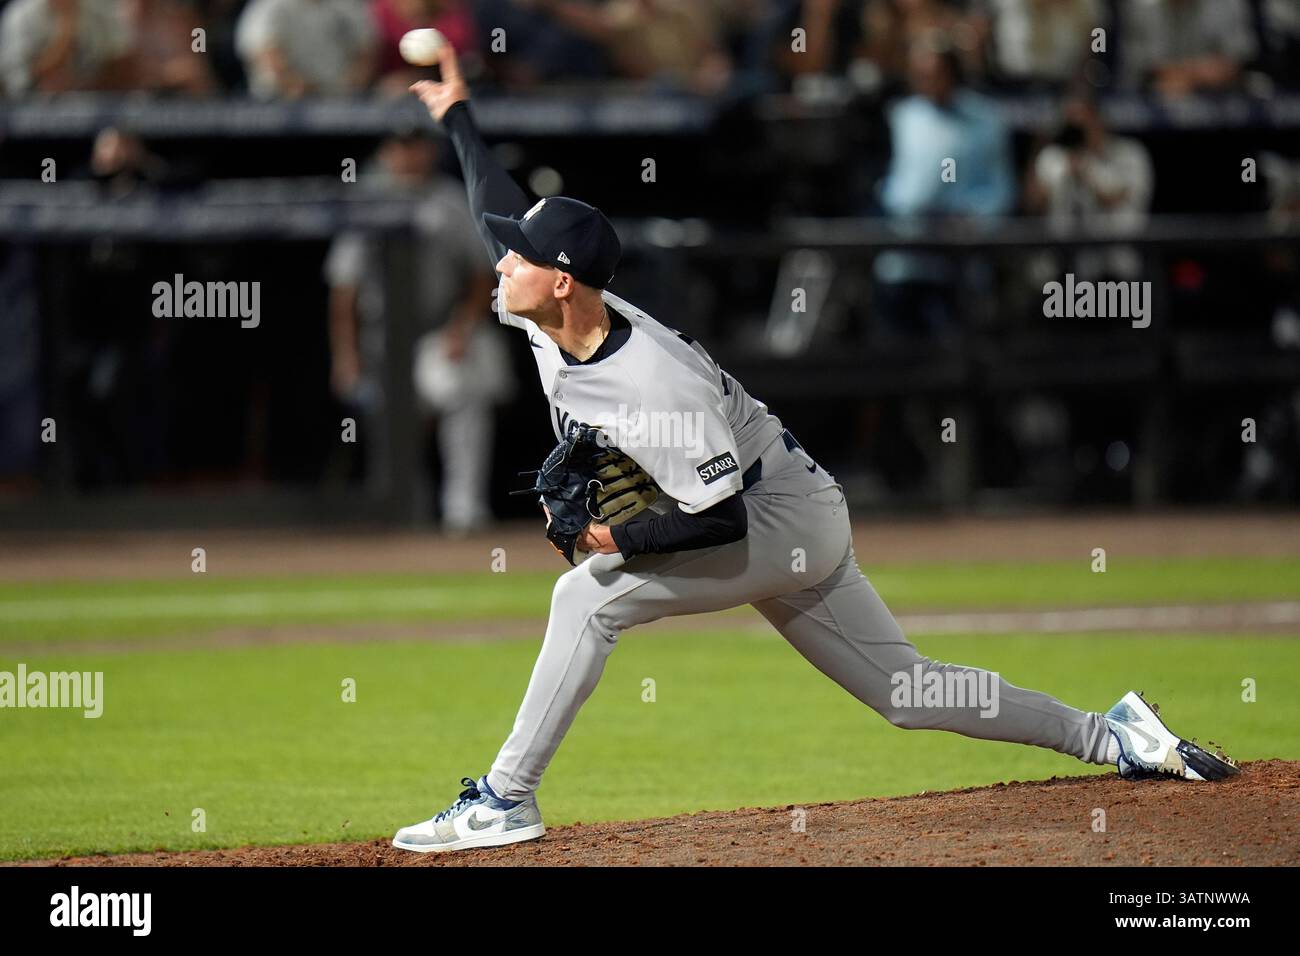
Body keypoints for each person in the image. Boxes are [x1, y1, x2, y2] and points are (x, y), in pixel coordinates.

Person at [391, 43, 1239, 854]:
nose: (502, 262)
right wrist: (460, 114)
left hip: (767, 517)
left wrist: (612, 539)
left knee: (586, 600)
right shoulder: (549, 315)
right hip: (796, 505)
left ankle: (504, 800)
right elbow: (489, 201)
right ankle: (1113, 734)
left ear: (563, 280)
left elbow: (716, 519)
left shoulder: (654, 385)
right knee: (908, 691)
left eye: (522, 257)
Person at [324, 129, 506, 532]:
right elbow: (344, 290)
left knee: (463, 389)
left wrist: (461, 328)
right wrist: (346, 356)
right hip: (381, 341)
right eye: (399, 145)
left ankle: (465, 511)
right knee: (388, 424)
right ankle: (406, 521)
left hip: (435, 333)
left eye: (417, 144)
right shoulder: (366, 199)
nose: (409, 154)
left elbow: (483, 275)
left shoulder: (449, 199)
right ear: (386, 151)